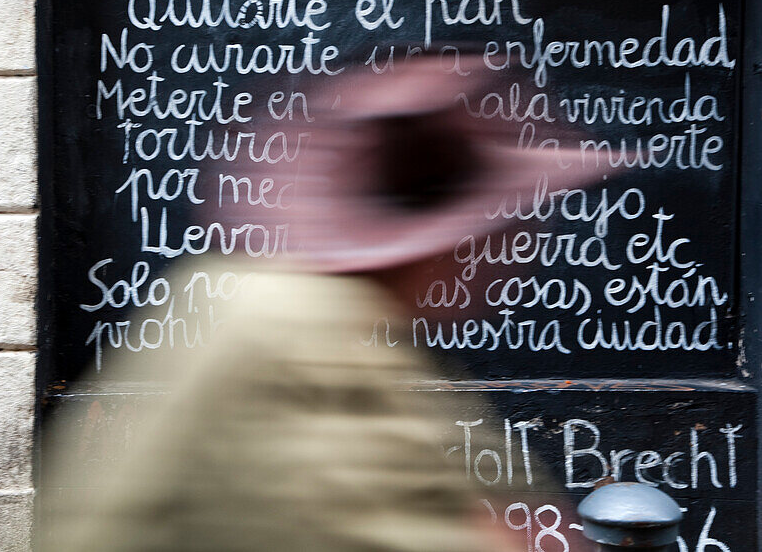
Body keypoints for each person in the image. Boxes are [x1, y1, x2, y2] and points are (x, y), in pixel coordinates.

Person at [39, 54, 603, 552]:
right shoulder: (315, 338)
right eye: (504, 227)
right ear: (449, 240)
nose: (515, 253)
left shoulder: (241, 291)